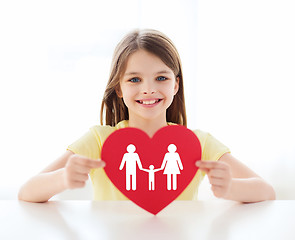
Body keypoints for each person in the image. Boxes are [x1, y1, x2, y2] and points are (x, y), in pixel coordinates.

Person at [18, 29, 276, 203]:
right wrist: (62, 178)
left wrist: (232, 187)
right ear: (119, 87)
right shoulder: (98, 140)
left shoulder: (198, 143)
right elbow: (27, 192)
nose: (149, 89)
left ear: (176, 85)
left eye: (161, 78)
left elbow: (266, 191)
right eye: (135, 79)